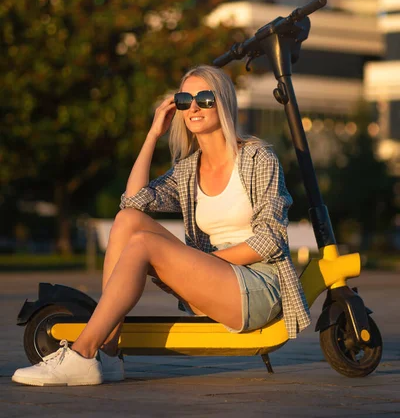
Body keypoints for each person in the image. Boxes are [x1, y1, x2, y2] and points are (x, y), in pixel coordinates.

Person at [12, 65, 310, 387]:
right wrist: (153, 134)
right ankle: (109, 354)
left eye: (204, 98)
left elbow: (271, 240)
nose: (193, 107)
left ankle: (82, 353)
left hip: (256, 285)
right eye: (184, 100)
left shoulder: (256, 159)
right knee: (128, 222)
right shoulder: (187, 170)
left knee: (143, 243)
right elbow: (133, 202)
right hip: (209, 281)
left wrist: (203, 263)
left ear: (223, 102)